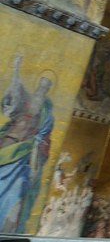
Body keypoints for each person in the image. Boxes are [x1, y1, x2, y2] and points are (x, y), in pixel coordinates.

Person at [0, 55, 54, 234]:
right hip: (8, 144)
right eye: (41, 85)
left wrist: (38, 146)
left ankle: (8, 230)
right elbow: (14, 94)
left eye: (46, 86)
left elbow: (45, 139)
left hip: (23, 157)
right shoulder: (26, 101)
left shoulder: (46, 113)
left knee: (17, 192)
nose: (42, 89)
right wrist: (16, 68)